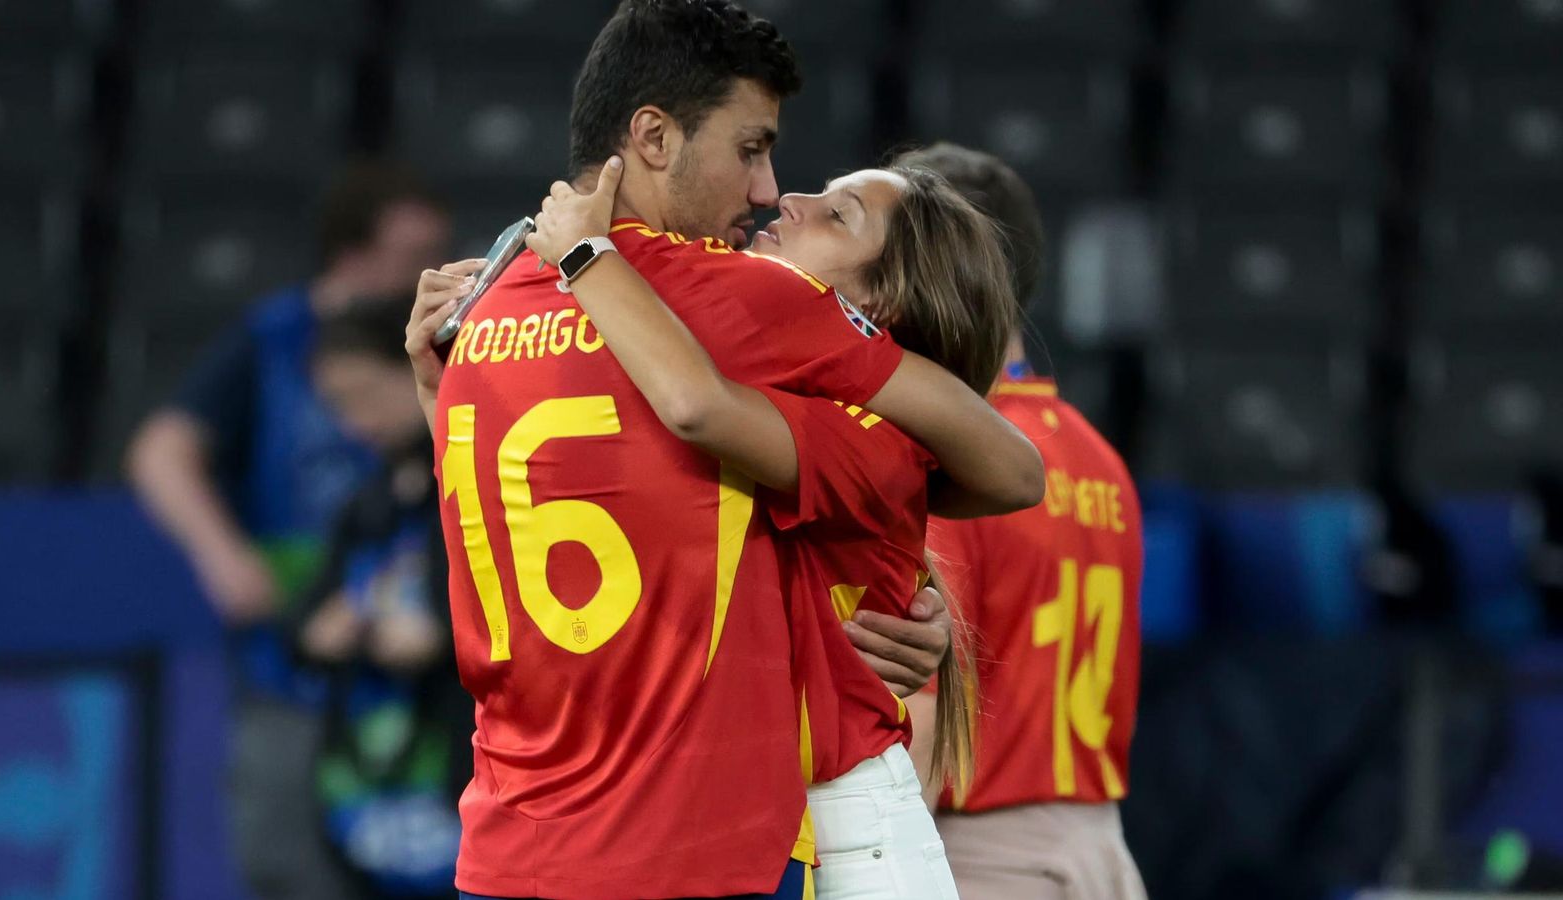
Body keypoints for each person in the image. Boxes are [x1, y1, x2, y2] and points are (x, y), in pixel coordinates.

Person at [400, 3, 1041, 897]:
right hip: (694, 847)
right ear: (654, 137)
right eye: (751, 148)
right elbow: (1005, 469)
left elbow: (506, 534)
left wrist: (439, 387)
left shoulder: (492, 301)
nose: (772, 191)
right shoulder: (739, 301)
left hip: (511, 848)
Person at [522, 154, 1025, 900]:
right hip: (745, 818)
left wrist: (585, 257)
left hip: (847, 831)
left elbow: (701, 408)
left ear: (879, 304)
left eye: (838, 213)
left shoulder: (861, 427)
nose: (790, 198)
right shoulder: (744, 380)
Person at [127, 160, 450, 900]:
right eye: (408, 258)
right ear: (351, 253)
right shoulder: (271, 340)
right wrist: (224, 557)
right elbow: (161, 451)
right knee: (287, 858)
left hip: (421, 682)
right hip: (294, 655)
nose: (424, 275)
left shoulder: (441, 340)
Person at [905, 142, 1148, 900]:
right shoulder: (1099, 458)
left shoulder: (959, 457)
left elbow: (929, 699)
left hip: (988, 859)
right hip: (1102, 851)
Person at [297, 299, 471, 899]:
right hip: (371, 792)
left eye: (361, 395)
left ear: (414, 365)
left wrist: (443, 640)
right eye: (336, 406)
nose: (352, 423)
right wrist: (320, 632)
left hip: (463, 773)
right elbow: (309, 627)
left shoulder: (476, 476)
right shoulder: (367, 504)